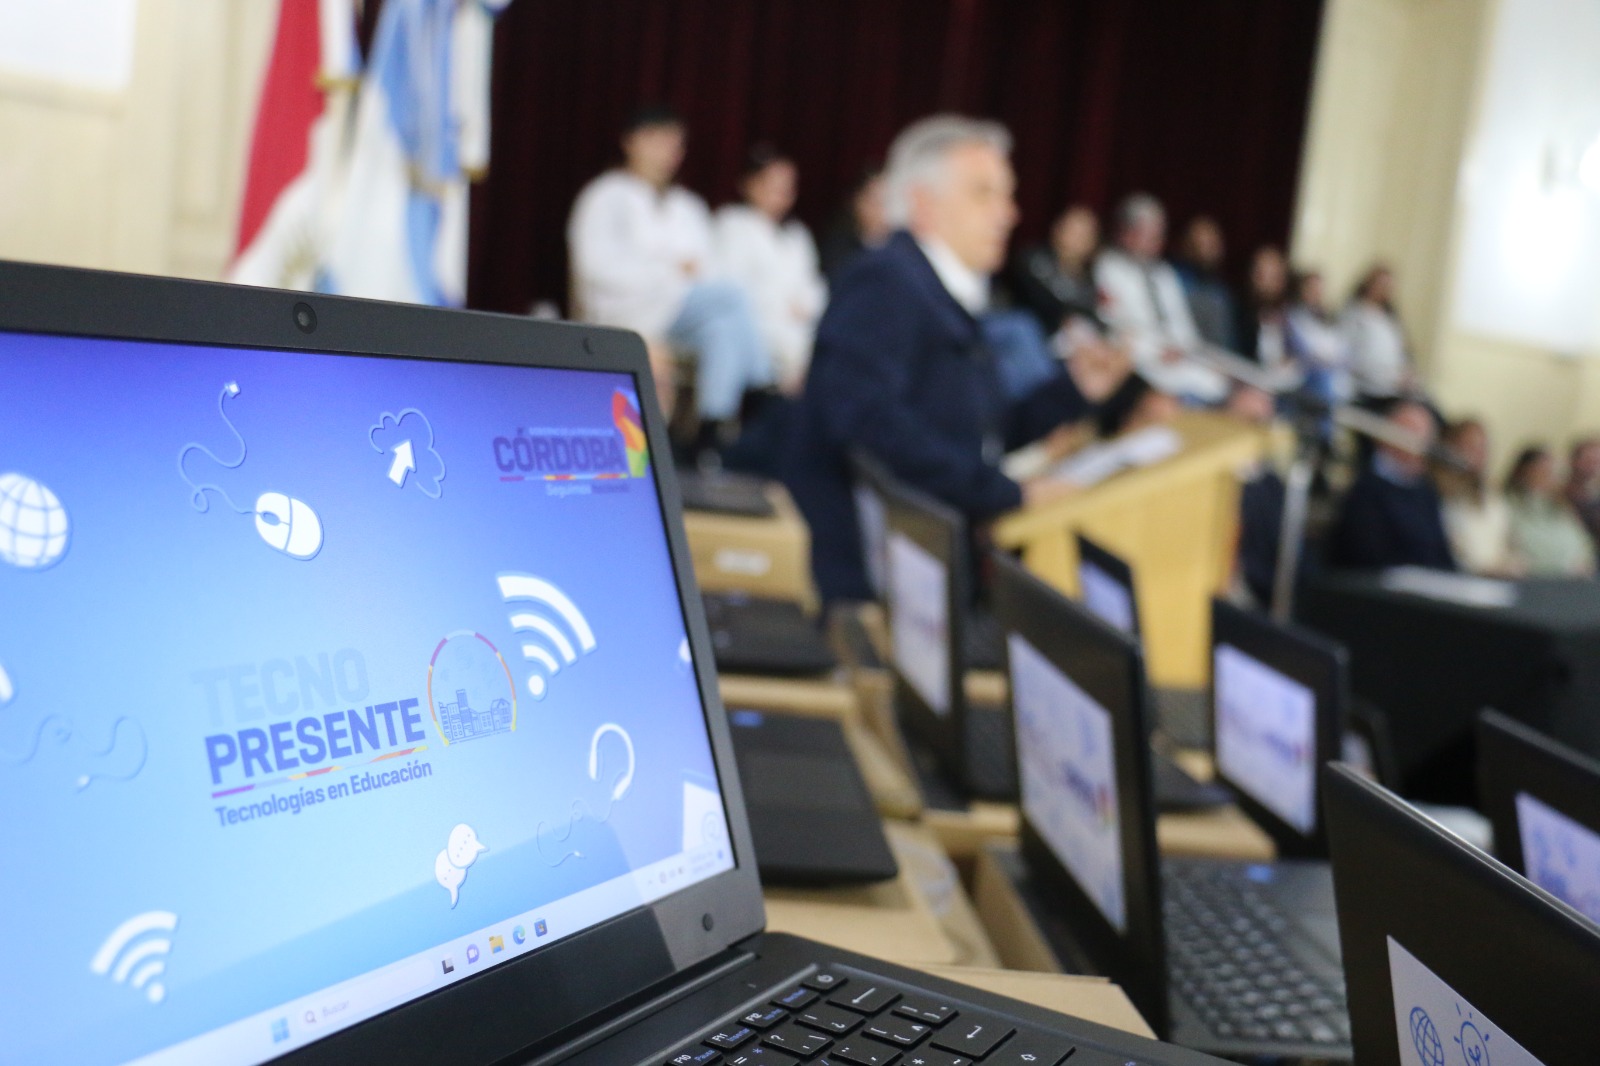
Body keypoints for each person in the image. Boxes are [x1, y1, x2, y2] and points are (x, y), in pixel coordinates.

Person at [784, 115, 1128, 603]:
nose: (1008, 214)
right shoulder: (886, 281)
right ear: (924, 204)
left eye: (1008, 196)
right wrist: (1008, 494)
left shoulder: (938, 292)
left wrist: (1074, 391)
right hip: (864, 582)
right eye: (985, 194)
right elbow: (868, 423)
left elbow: (979, 430)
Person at [567, 104, 774, 456]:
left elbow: (708, 268)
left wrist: (677, 275)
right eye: (658, 141)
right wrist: (667, 271)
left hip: (682, 312)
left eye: (675, 145)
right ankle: (759, 394)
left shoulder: (687, 206)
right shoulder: (605, 196)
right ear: (632, 141)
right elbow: (595, 268)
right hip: (626, 311)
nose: (668, 153)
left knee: (724, 327)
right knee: (733, 297)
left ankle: (709, 432)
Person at [713, 146, 827, 394]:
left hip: (798, 331)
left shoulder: (797, 236)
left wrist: (806, 305)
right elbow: (731, 287)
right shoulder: (732, 224)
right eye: (773, 184)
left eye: (788, 186)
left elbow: (813, 286)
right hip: (757, 331)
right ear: (751, 184)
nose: (782, 193)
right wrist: (779, 307)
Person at [1094, 193, 1228, 403]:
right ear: (1126, 233)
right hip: (1138, 361)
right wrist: (1154, 353)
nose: (1155, 243)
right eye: (1147, 235)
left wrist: (1182, 349)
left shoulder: (1164, 273)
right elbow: (1114, 326)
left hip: (1178, 358)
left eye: (1158, 235)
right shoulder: (1107, 267)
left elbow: (1182, 323)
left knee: (1217, 383)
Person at [1327, 400, 1456, 570]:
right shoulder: (1366, 488)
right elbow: (1366, 556)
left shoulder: (1426, 492)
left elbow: (1441, 552)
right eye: (1411, 433)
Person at [1436, 417, 1518, 576]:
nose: (1478, 454)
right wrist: (1483, 570)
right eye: (1471, 446)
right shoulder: (1438, 494)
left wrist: (1512, 563)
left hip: (1499, 578)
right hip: (1461, 577)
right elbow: (1451, 548)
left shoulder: (1492, 494)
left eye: (1483, 447)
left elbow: (1510, 541)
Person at [1504, 446, 1596, 577]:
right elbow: (1526, 544)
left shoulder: (1561, 507)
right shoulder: (1509, 505)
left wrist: (1582, 562)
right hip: (1533, 578)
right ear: (1523, 472)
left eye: (1551, 471)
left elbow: (1582, 544)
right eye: (1541, 470)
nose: (1548, 477)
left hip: (1570, 579)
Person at [1340, 263, 1414, 404]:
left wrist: (1406, 375)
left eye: (1388, 286)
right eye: (1381, 285)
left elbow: (1401, 354)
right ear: (1369, 284)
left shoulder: (1390, 320)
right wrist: (1391, 378)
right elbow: (1351, 357)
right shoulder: (1354, 315)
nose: (1384, 290)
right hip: (1369, 389)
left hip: (1397, 387)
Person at [1285, 269, 1353, 406]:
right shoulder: (1293, 316)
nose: (1316, 292)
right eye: (1311, 287)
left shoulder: (1332, 320)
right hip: (1305, 377)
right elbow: (1304, 352)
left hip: (1334, 378)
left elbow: (1344, 353)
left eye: (1319, 288)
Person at [1172, 215, 1240, 352]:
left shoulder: (1222, 293)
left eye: (1213, 245)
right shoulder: (1171, 280)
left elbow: (1229, 340)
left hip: (1219, 358)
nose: (1209, 251)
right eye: (1202, 244)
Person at [818, 168, 891, 282]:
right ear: (858, 202)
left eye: (887, 200)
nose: (882, 208)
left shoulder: (903, 248)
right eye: (875, 200)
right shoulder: (840, 249)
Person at [1237, 245, 1290, 367]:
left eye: (1275, 277)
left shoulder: (1289, 318)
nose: (1269, 284)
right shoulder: (1237, 315)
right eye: (1264, 275)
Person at [1564, 435, 1600, 555]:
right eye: (1588, 460)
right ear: (1573, 461)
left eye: (1597, 461)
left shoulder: (1595, 496)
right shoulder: (1557, 496)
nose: (1593, 466)